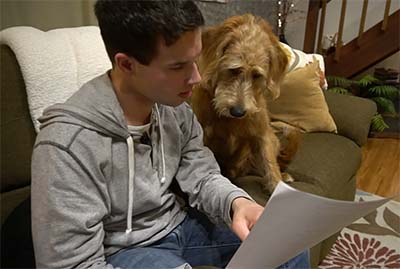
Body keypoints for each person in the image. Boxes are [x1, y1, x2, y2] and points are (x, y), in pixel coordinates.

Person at [31, 1, 310, 268]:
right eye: (178, 66)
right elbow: (72, 264)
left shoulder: (175, 109)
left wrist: (237, 203)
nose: (197, 78)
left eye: (195, 61)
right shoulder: (66, 146)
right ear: (127, 64)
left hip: (181, 225)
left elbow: (201, 175)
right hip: (127, 249)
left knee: (289, 239)